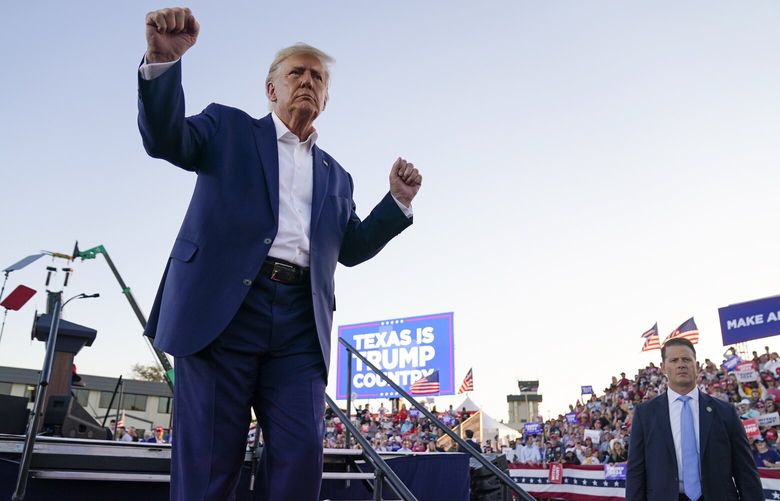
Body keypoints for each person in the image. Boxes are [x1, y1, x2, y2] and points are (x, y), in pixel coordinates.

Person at [137, 7, 421, 501]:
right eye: (297, 73)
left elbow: (349, 249)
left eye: (317, 77)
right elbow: (166, 140)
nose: (308, 81)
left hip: (298, 324)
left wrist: (396, 202)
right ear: (272, 89)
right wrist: (162, 63)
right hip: (221, 314)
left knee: (300, 456)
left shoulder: (337, 176)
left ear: (326, 98)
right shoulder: (226, 129)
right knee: (207, 466)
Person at [626, 338, 762, 501]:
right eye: (674, 360)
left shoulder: (726, 412)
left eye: (686, 359)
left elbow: (745, 471)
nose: (681, 364)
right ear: (663, 368)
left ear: (696, 366)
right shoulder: (645, 414)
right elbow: (636, 471)